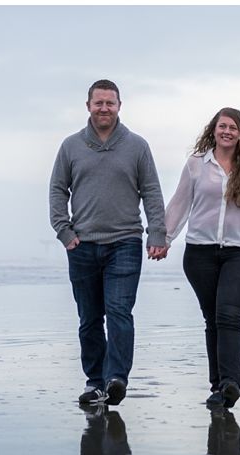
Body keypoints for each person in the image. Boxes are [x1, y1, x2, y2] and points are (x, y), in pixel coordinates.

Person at [50, 79, 167, 406]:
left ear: (119, 106)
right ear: (88, 106)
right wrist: (65, 232)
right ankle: (94, 382)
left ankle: (116, 378)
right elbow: (58, 190)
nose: (104, 108)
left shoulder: (137, 146)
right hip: (82, 245)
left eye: (110, 103)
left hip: (125, 242)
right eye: (98, 103)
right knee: (89, 318)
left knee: (119, 311)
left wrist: (157, 233)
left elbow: (152, 192)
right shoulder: (71, 146)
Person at [152, 108, 240, 408]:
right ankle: (217, 386)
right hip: (200, 253)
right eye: (222, 126)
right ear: (214, 129)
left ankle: (231, 383)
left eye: (233, 128)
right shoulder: (197, 164)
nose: (227, 132)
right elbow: (180, 202)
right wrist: (164, 239)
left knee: (229, 317)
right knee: (213, 320)